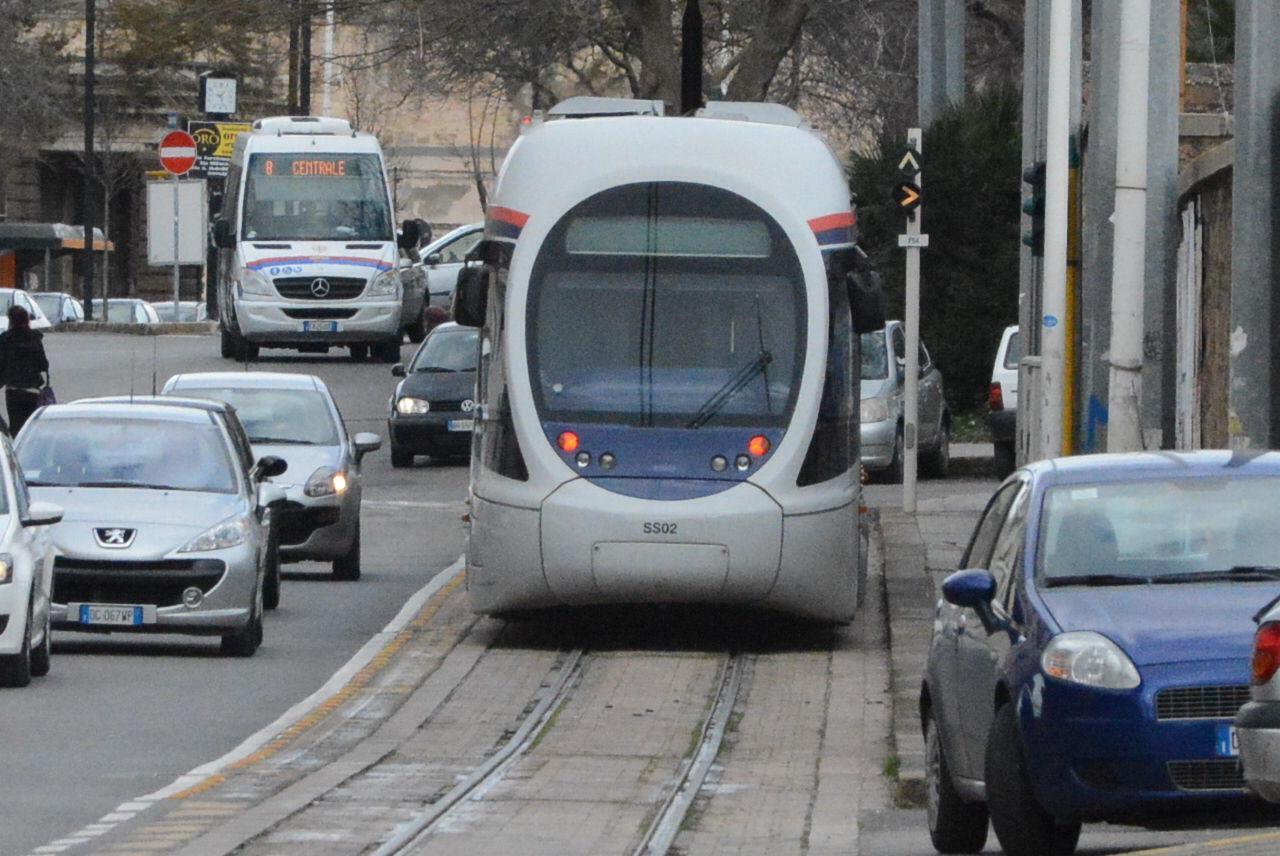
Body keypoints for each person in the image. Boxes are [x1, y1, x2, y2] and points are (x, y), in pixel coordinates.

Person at [0, 305, 49, 435]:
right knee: (31, 427)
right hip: (33, 390)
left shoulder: (5, 339)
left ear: (11, 320)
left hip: (13, 390)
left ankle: (17, 446)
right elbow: (43, 365)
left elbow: (1, 364)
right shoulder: (34, 338)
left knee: (16, 426)